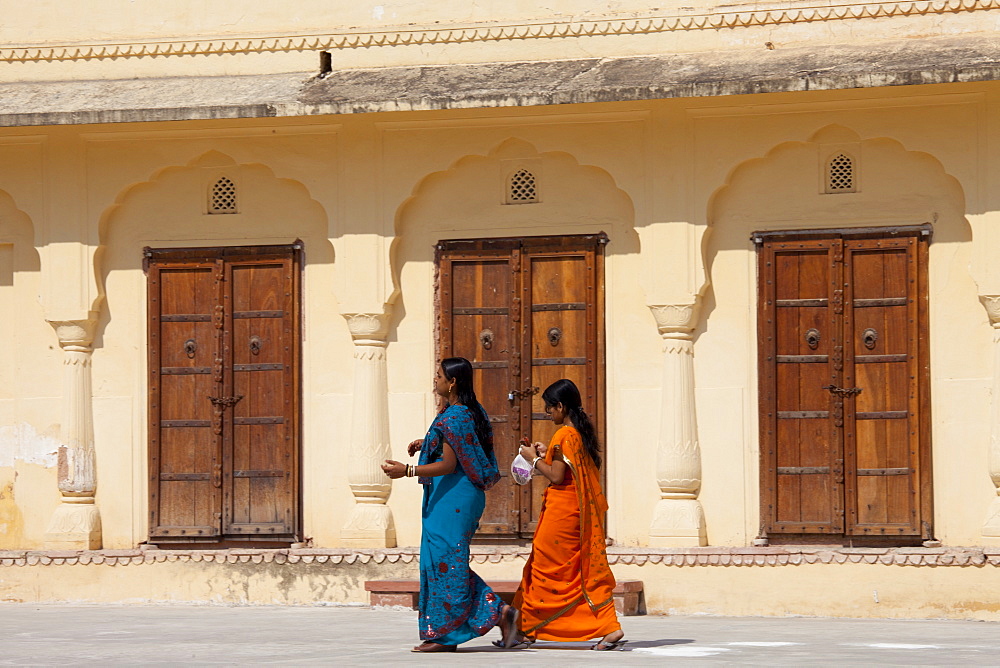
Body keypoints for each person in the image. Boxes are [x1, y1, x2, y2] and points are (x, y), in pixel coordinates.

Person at [382, 357, 521, 653]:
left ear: (452, 382)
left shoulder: (453, 417)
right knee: (443, 563)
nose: (436, 381)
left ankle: (450, 634)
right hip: (457, 496)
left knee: (446, 565)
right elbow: (459, 445)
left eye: (439, 376)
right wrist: (427, 441)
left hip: (453, 497)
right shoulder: (468, 412)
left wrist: (406, 470)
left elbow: (448, 463)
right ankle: (497, 615)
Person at [512, 378, 626, 651]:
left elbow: (556, 475)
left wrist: (533, 458)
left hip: (561, 515)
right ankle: (607, 627)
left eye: (550, 409)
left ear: (561, 406)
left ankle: (527, 627)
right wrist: (545, 452)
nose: (548, 413)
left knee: (544, 569)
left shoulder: (564, 435)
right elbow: (568, 471)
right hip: (573, 513)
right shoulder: (578, 434)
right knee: (575, 573)